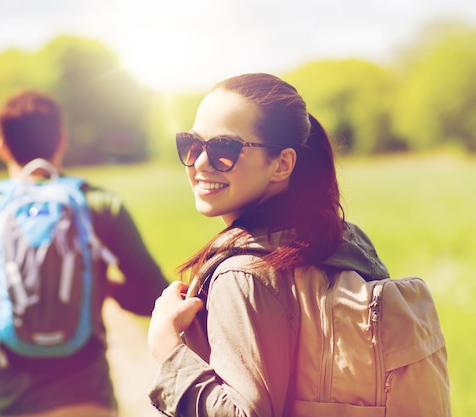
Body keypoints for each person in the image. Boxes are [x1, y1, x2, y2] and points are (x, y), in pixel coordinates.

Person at [147, 73, 390, 416]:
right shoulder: (346, 242)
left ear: (282, 164)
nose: (200, 163)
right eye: (192, 144)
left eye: (223, 149)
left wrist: (167, 348)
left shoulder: (244, 275)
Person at [0, 90, 169, 417]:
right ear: (62, 140)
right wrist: (107, 288)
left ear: (2, 147)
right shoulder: (100, 205)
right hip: (89, 401)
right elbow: (155, 298)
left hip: (12, 404)